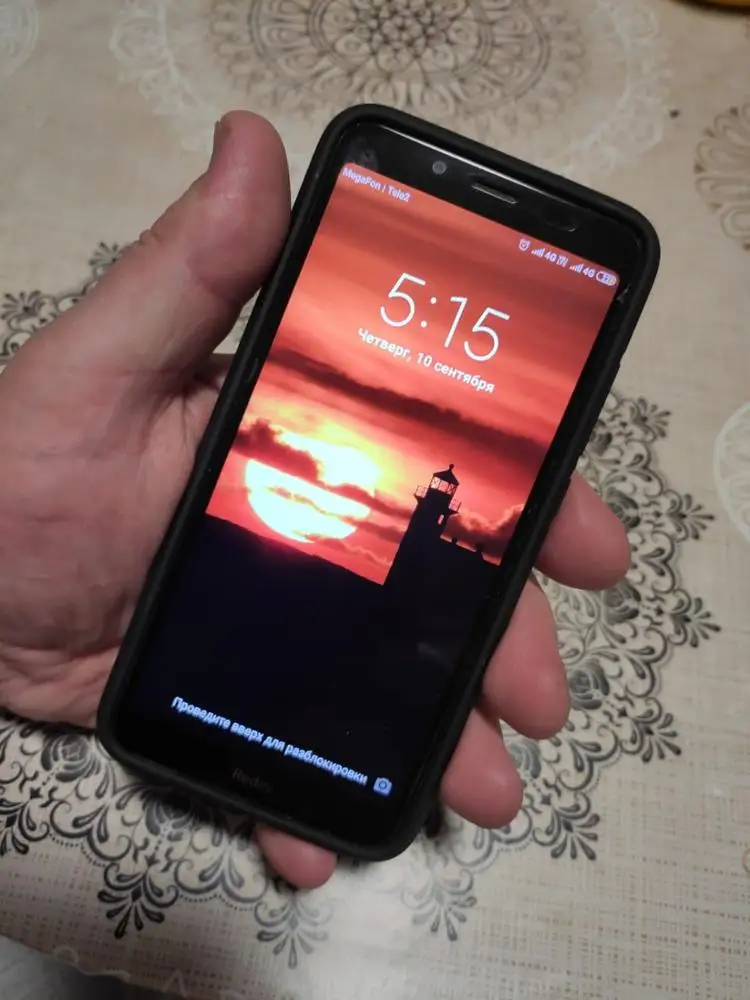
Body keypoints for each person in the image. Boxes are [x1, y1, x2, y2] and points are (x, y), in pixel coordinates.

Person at [0, 112, 630, 889]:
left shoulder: (428, 518)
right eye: (438, 493)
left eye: (440, 494)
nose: (438, 495)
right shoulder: (423, 510)